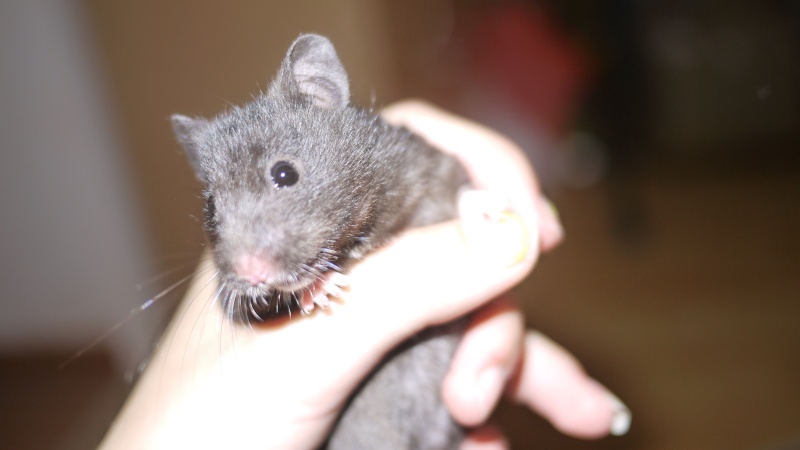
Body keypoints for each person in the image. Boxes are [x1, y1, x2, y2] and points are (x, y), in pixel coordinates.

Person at [100, 101, 630, 449]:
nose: (246, 259)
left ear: (322, 93)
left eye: (282, 175)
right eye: (217, 209)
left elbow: (440, 178)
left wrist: (470, 199)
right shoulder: (251, 292)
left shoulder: (398, 162)